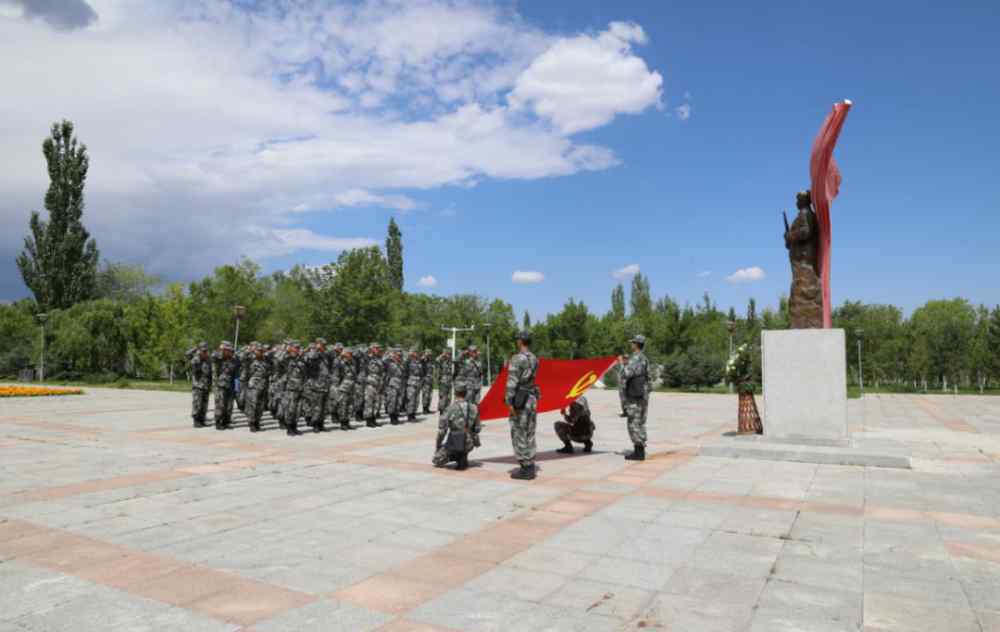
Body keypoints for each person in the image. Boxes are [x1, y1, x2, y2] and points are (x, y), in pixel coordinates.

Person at [505, 331, 539, 480]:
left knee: (519, 432)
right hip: (531, 398)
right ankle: (530, 463)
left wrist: (509, 402)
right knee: (530, 432)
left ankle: (525, 468)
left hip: (520, 400)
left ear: (520, 341)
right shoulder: (534, 358)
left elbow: (512, 382)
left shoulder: (517, 358)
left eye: (517, 340)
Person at [433, 384, 481, 470]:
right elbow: (477, 428)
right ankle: (463, 456)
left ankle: (457, 457)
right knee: (464, 440)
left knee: (436, 460)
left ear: (455, 393)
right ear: (466, 393)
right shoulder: (474, 407)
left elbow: (442, 431)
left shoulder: (450, 408)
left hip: (455, 443)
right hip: (469, 443)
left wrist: (438, 446)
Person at [620, 334, 650, 460]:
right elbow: (649, 378)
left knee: (633, 422)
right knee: (641, 422)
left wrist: (622, 364)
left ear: (636, 344)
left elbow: (625, 374)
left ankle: (638, 452)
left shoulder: (635, 358)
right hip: (643, 394)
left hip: (634, 395)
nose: (631, 344)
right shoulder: (645, 358)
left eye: (632, 343)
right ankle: (640, 449)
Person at [211, 341, 240, 430]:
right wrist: (220, 349)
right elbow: (213, 356)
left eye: (231, 351)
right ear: (224, 350)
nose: (230, 352)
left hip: (231, 385)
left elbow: (237, 375)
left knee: (229, 406)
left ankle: (226, 422)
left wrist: (237, 387)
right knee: (220, 405)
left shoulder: (235, 360)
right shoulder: (219, 359)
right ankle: (218, 422)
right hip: (221, 385)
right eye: (228, 350)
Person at [303, 339, 330, 432]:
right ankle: (315, 424)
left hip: (325, 384)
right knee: (317, 406)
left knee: (324, 407)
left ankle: (321, 423)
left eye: (324, 345)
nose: (324, 347)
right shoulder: (313, 354)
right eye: (322, 345)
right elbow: (311, 357)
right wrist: (315, 348)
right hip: (316, 385)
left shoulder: (324, 355)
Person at [244, 344, 271, 432]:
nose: (260, 353)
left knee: (260, 406)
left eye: (261, 351)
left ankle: (257, 421)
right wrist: (250, 350)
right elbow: (242, 357)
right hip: (254, 386)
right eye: (258, 351)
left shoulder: (265, 361)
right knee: (253, 405)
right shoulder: (250, 360)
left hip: (263, 386)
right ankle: (251, 423)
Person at [282, 342, 306, 435]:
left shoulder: (301, 360)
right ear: (291, 349)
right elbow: (279, 358)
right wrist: (286, 349)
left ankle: (295, 426)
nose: (297, 349)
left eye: (298, 348)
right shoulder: (288, 359)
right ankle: (289, 428)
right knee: (290, 409)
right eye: (295, 348)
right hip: (291, 388)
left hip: (300, 387)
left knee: (298, 409)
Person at [190, 343, 212, 427]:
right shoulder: (196, 360)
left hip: (206, 386)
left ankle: (202, 420)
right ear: (200, 351)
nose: (205, 353)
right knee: (197, 403)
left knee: (204, 404)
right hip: (198, 386)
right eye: (203, 351)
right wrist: (195, 349)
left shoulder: (208, 360)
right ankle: (196, 421)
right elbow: (187, 356)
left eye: (206, 351)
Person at [363, 343, 384, 427]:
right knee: (369, 402)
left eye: (378, 348)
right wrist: (369, 351)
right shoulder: (367, 357)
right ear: (371, 349)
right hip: (370, 383)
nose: (378, 349)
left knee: (376, 402)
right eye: (376, 348)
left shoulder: (379, 358)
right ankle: (368, 420)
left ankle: (373, 419)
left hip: (378, 383)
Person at [336, 348, 356, 430]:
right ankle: (342, 423)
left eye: (351, 353)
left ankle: (347, 421)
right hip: (343, 387)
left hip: (351, 387)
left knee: (350, 406)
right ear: (345, 354)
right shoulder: (341, 363)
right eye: (349, 353)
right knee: (343, 405)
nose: (351, 355)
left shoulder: (352, 363)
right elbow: (337, 375)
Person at [385, 349, 405, 425]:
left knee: (398, 401)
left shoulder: (401, 363)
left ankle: (396, 416)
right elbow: (384, 360)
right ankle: (392, 418)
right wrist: (390, 355)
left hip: (400, 384)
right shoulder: (390, 363)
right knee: (392, 401)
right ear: (394, 355)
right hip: (392, 384)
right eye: (398, 355)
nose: (399, 356)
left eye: (400, 355)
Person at [404, 349, 423, 422]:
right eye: (415, 352)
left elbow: (421, 372)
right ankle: (409, 415)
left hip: (418, 382)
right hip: (411, 382)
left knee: (416, 400)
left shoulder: (419, 362)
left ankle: (413, 414)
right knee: (411, 400)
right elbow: (405, 371)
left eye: (417, 352)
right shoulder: (408, 361)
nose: (417, 353)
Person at [436, 348, 454, 413]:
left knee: (449, 396)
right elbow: (437, 360)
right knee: (443, 396)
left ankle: (447, 408)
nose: (449, 355)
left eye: (450, 354)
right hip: (443, 381)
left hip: (449, 380)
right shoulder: (441, 360)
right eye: (448, 354)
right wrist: (442, 355)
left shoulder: (449, 361)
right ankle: (442, 409)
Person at [421, 349, 434, 414]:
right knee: (425, 394)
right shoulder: (424, 360)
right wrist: (424, 356)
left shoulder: (431, 361)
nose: (430, 355)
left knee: (430, 395)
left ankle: (427, 408)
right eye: (428, 353)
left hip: (430, 379)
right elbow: (421, 360)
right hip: (425, 379)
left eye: (430, 354)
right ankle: (424, 408)